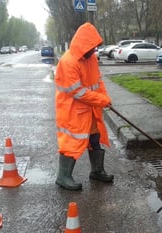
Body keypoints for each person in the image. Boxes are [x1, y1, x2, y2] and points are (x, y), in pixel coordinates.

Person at [54, 22, 114, 191]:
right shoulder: (68, 62)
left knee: (94, 139)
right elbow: (78, 92)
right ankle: (63, 176)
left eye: (95, 47)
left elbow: (98, 81)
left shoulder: (91, 58)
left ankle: (97, 171)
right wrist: (100, 100)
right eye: (92, 47)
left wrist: (105, 97)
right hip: (72, 111)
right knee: (71, 143)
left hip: (90, 109)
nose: (94, 50)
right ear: (83, 45)